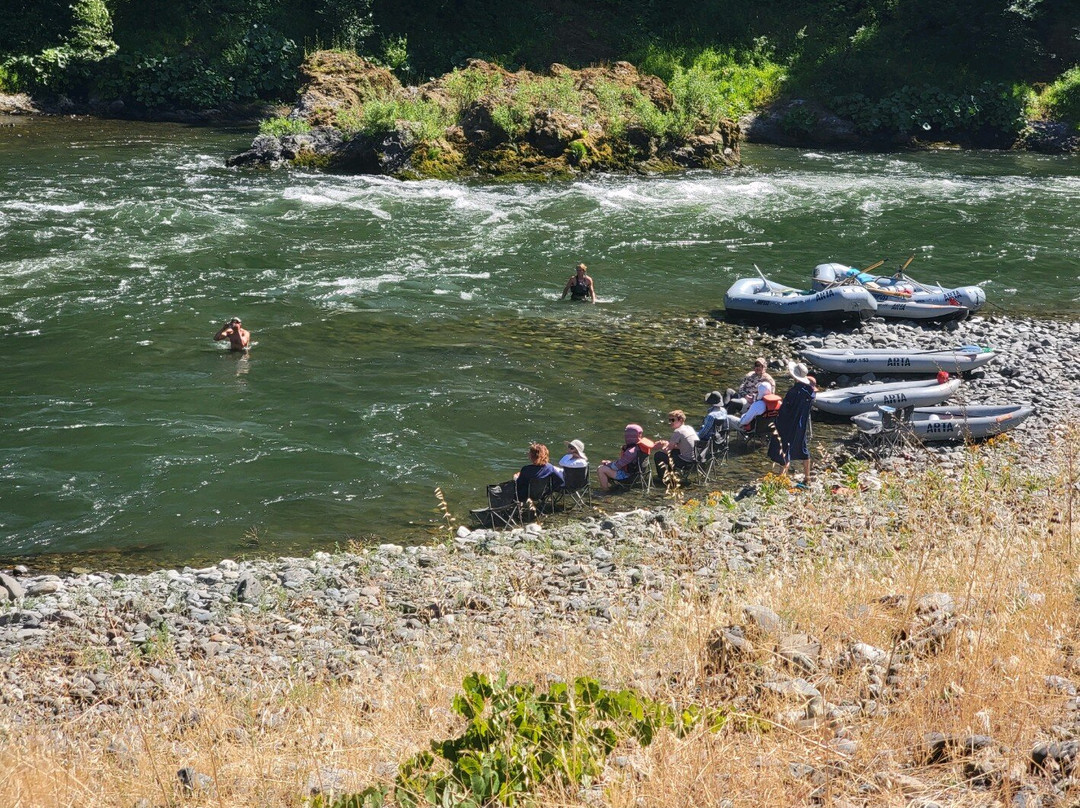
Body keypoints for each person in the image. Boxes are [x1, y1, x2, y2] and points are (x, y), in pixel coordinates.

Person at [768, 362, 817, 484]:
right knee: (803, 448)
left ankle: (781, 478)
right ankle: (807, 477)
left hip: (788, 424)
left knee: (784, 448)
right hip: (801, 425)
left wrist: (777, 422)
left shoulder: (793, 392)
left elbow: (785, 410)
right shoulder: (810, 391)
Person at [652, 410, 698, 481]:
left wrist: (661, 446)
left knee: (658, 455)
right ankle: (671, 474)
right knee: (674, 451)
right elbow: (684, 445)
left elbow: (667, 451)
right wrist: (668, 444)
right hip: (695, 460)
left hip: (685, 462)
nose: (670, 422)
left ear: (681, 420)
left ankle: (662, 477)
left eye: (673, 420)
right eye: (669, 420)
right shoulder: (689, 428)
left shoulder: (678, 431)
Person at [597, 424, 644, 491]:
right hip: (638, 474)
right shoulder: (640, 447)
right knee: (607, 466)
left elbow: (615, 467)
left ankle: (605, 490)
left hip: (628, 476)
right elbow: (623, 463)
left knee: (601, 469)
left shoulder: (631, 452)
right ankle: (611, 486)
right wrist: (611, 463)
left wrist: (608, 464)